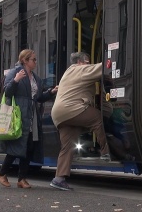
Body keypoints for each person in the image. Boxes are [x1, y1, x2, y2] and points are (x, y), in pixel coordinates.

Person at [0, 49, 58, 189]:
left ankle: (21, 179)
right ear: (25, 60)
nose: (35, 62)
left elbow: (38, 97)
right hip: (18, 114)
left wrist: (51, 92)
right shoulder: (15, 72)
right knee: (17, 146)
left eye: (35, 59)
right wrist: (16, 80)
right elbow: (7, 91)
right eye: (33, 60)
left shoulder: (35, 77)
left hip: (32, 116)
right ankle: (2, 173)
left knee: (29, 145)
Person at [49, 52, 111, 191]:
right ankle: (106, 151)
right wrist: (115, 57)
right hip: (71, 109)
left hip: (59, 114)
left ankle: (59, 178)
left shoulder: (68, 72)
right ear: (80, 62)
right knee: (97, 118)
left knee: (67, 146)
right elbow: (103, 67)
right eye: (87, 62)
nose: (88, 64)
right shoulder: (80, 70)